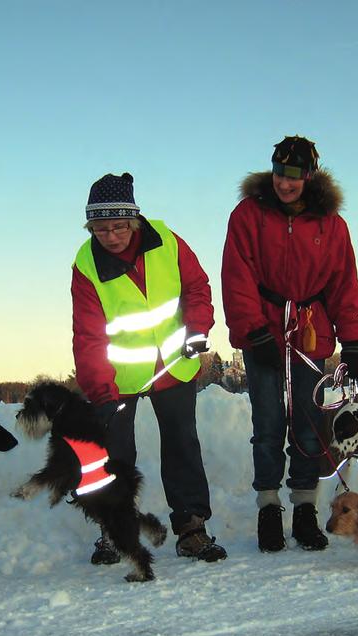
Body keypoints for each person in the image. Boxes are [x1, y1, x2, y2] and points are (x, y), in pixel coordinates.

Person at [222, 136, 358, 552]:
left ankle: (305, 507)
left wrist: (353, 341)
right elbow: (237, 274)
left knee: (308, 425)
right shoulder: (249, 214)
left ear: (309, 176)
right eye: (279, 173)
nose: (285, 183)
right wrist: (254, 330)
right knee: (267, 424)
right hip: (264, 331)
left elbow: (344, 284)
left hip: (311, 331)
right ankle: (269, 506)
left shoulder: (331, 224)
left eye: (294, 176)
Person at [71, 172, 227, 563]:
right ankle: (112, 529)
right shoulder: (86, 263)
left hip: (175, 364)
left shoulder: (167, 240)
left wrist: (196, 329)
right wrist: (100, 392)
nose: (111, 235)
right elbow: (88, 335)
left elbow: (196, 287)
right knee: (115, 454)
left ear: (135, 220)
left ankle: (191, 527)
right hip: (118, 377)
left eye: (119, 225)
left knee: (182, 445)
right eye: (101, 228)